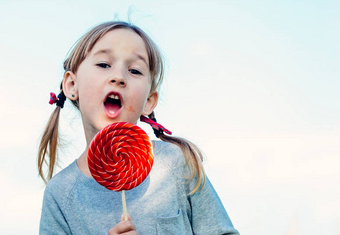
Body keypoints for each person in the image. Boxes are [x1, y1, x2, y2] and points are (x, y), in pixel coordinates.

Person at [38, 21, 239, 234]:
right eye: (104, 65)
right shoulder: (60, 195)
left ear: (149, 101)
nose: (118, 77)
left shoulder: (175, 163)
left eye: (134, 70)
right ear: (71, 85)